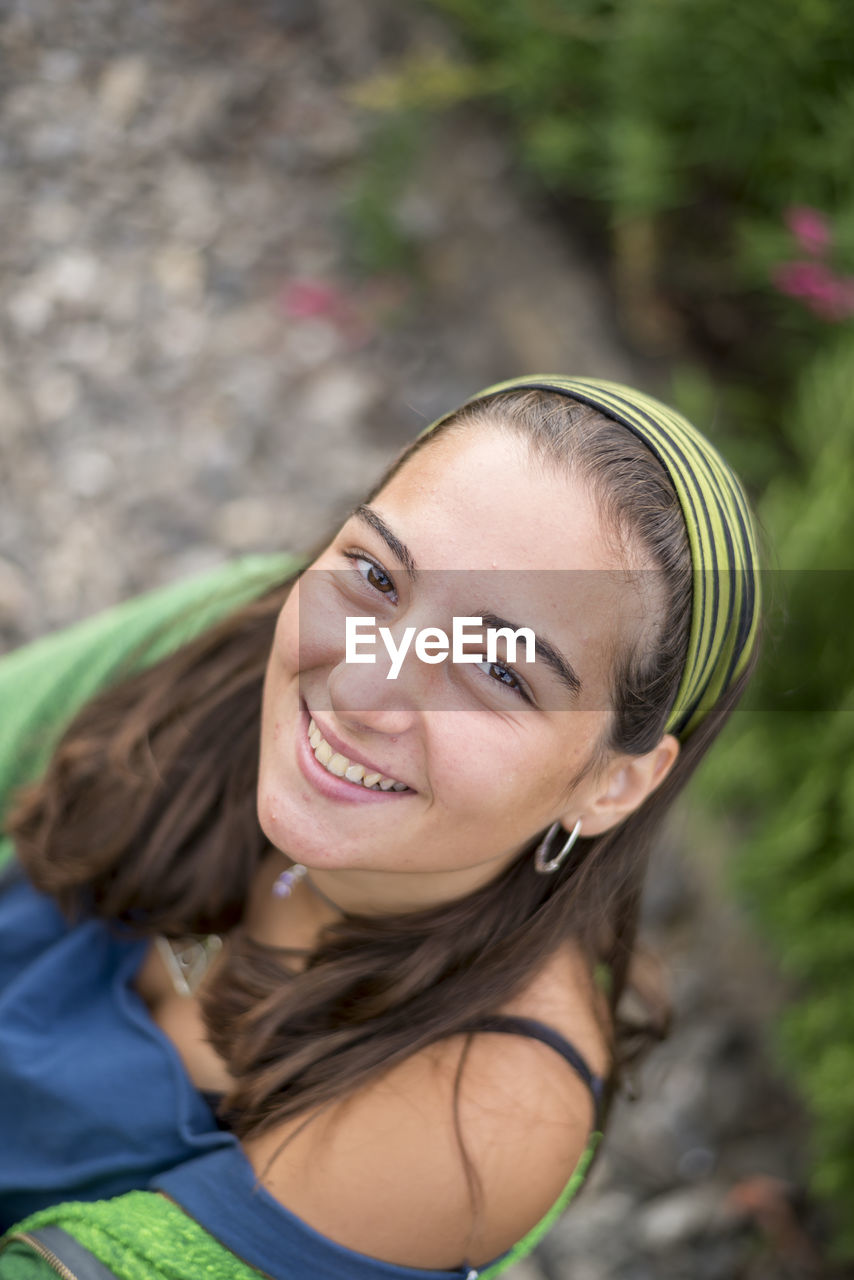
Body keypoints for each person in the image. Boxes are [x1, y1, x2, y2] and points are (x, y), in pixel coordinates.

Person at [0, 375, 761, 1279]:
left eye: (500, 672)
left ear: (612, 786)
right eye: (374, 575)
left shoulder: (475, 1118)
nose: (361, 687)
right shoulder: (240, 626)